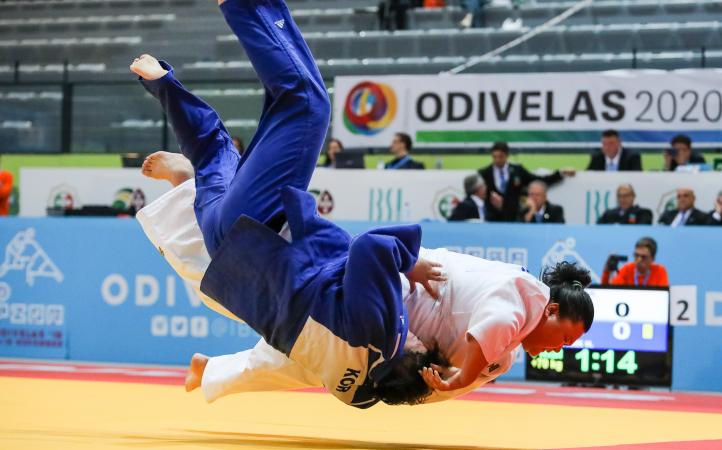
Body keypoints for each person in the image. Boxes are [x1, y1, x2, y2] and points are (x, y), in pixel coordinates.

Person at [131, 0, 447, 408]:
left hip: (257, 227)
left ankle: (241, 7)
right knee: (214, 152)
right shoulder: (355, 393)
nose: (423, 336)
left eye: (423, 344)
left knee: (307, 104)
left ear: (414, 356)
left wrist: (409, 261)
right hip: (229, 256)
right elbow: (276, 364)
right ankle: (162, 84)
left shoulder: (383, 335)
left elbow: (371, 249)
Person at [138, 156, 595, 404]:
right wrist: (453, 380)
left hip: (381, 332)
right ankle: (196, 182)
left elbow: (444, 377)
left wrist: (407, 385)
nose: (559, 347)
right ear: (553, 309)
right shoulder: (526, 297)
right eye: (564, 336)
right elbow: (486, 330)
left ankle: (211, 369)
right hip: (380, 295)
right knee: (236, 283)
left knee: (305, 359)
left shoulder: (507, 355)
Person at [478, 142, 573, 222]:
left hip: (513, 218)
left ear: (507, 155)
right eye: (494, 156)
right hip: (492, 219)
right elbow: (478, 195)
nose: (497, 160)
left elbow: (538, 181)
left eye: (500, 156)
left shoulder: (517, 171)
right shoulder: (484, 173)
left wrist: (560, 174)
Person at [601, 237, 668, 287]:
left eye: (643, 257)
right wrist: (606, 272)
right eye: (636, 255)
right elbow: (612, 290)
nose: (639, 259)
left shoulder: (660, 270)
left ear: (652, 258)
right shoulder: (627, 269)